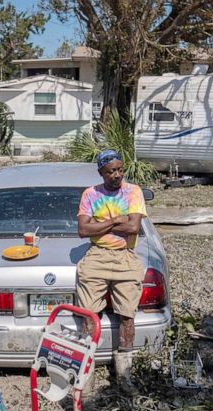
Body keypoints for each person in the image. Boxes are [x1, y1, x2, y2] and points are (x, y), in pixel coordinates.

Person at [76, 150, 147, 390]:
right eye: (110, 171)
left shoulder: (133, 192)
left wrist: (99, 226)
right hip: (96, 256)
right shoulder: (90, 193)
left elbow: (134, 227)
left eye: (119, 169)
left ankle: (124, 374)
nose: (117, 175)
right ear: (101, 173)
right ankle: (87, 371)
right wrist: (116, 221)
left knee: (127, 315)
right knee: (89, 315)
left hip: (125, 256)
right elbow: (84, 231)